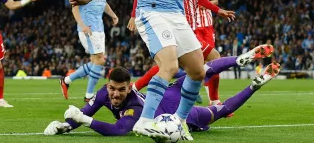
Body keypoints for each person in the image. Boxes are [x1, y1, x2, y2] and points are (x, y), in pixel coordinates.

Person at [68, 0, 261, 140]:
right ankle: (145, 122)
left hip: (176, 16)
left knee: (198, 70)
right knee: (168, 65)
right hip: (150, 13)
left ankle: (178, 122)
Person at [44, 58, 281, 138]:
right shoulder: (105, 93)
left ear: (129, 88)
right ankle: (239, 61)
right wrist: (67, 125)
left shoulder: (135, 107)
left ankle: (252, 85)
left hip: (177, 113)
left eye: (121, 90)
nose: (115, 95)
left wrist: (83, 121)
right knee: (198, 72)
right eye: (113, 89)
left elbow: (118, 131)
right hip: (167, 94)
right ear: (108, 85)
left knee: (217, 110)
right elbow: (85, 111)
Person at [60, 0, 119, 102]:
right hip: (88, 28)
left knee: (96, 62)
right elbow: (74, 7)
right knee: (100, 61)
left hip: (99, 28)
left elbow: (103, 3)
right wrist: (82, 25)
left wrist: (113, 15)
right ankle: (89, 96)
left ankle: (67, 80)